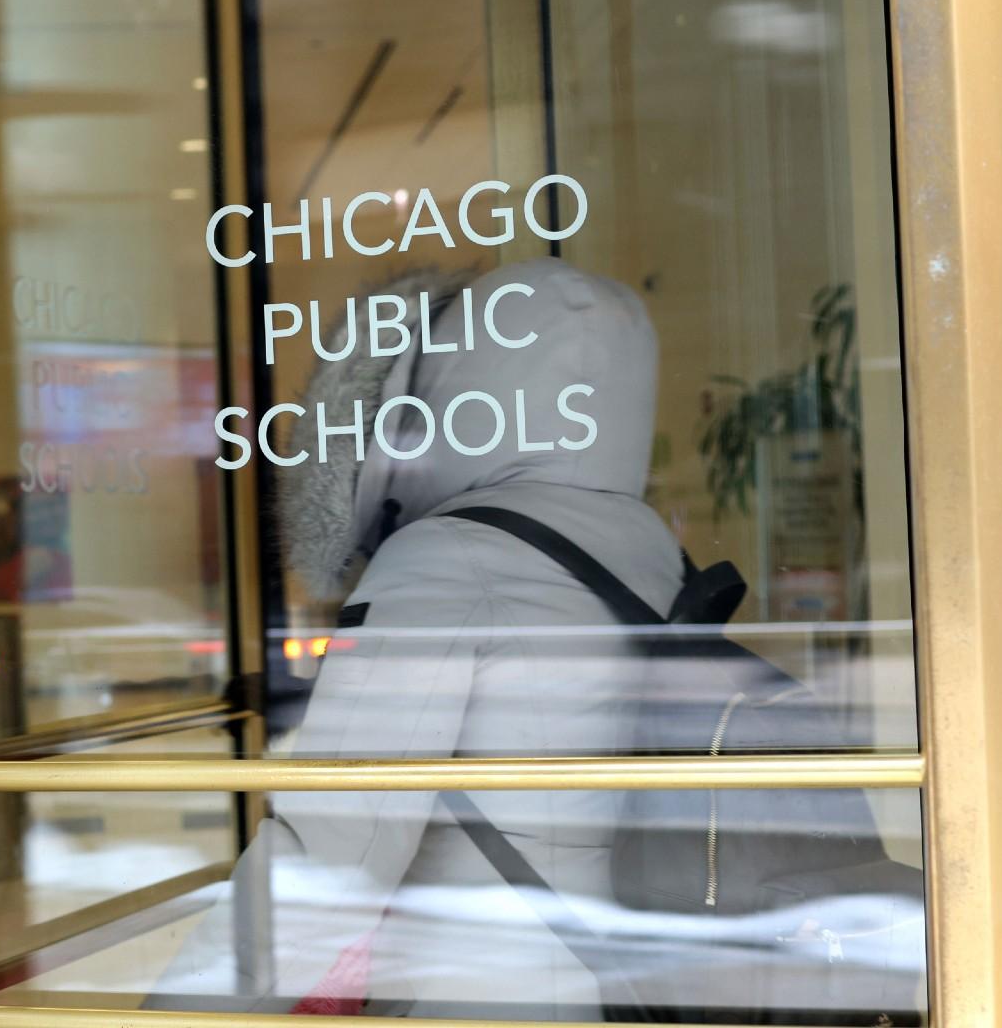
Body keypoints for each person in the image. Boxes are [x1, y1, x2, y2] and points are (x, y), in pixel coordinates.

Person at [155, 257, 682, 1018]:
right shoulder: (647, 546)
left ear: (454, 384)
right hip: (608, 976)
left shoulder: (445, 560)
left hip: (470, 988)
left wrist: (171, 1010)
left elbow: (335, 848)